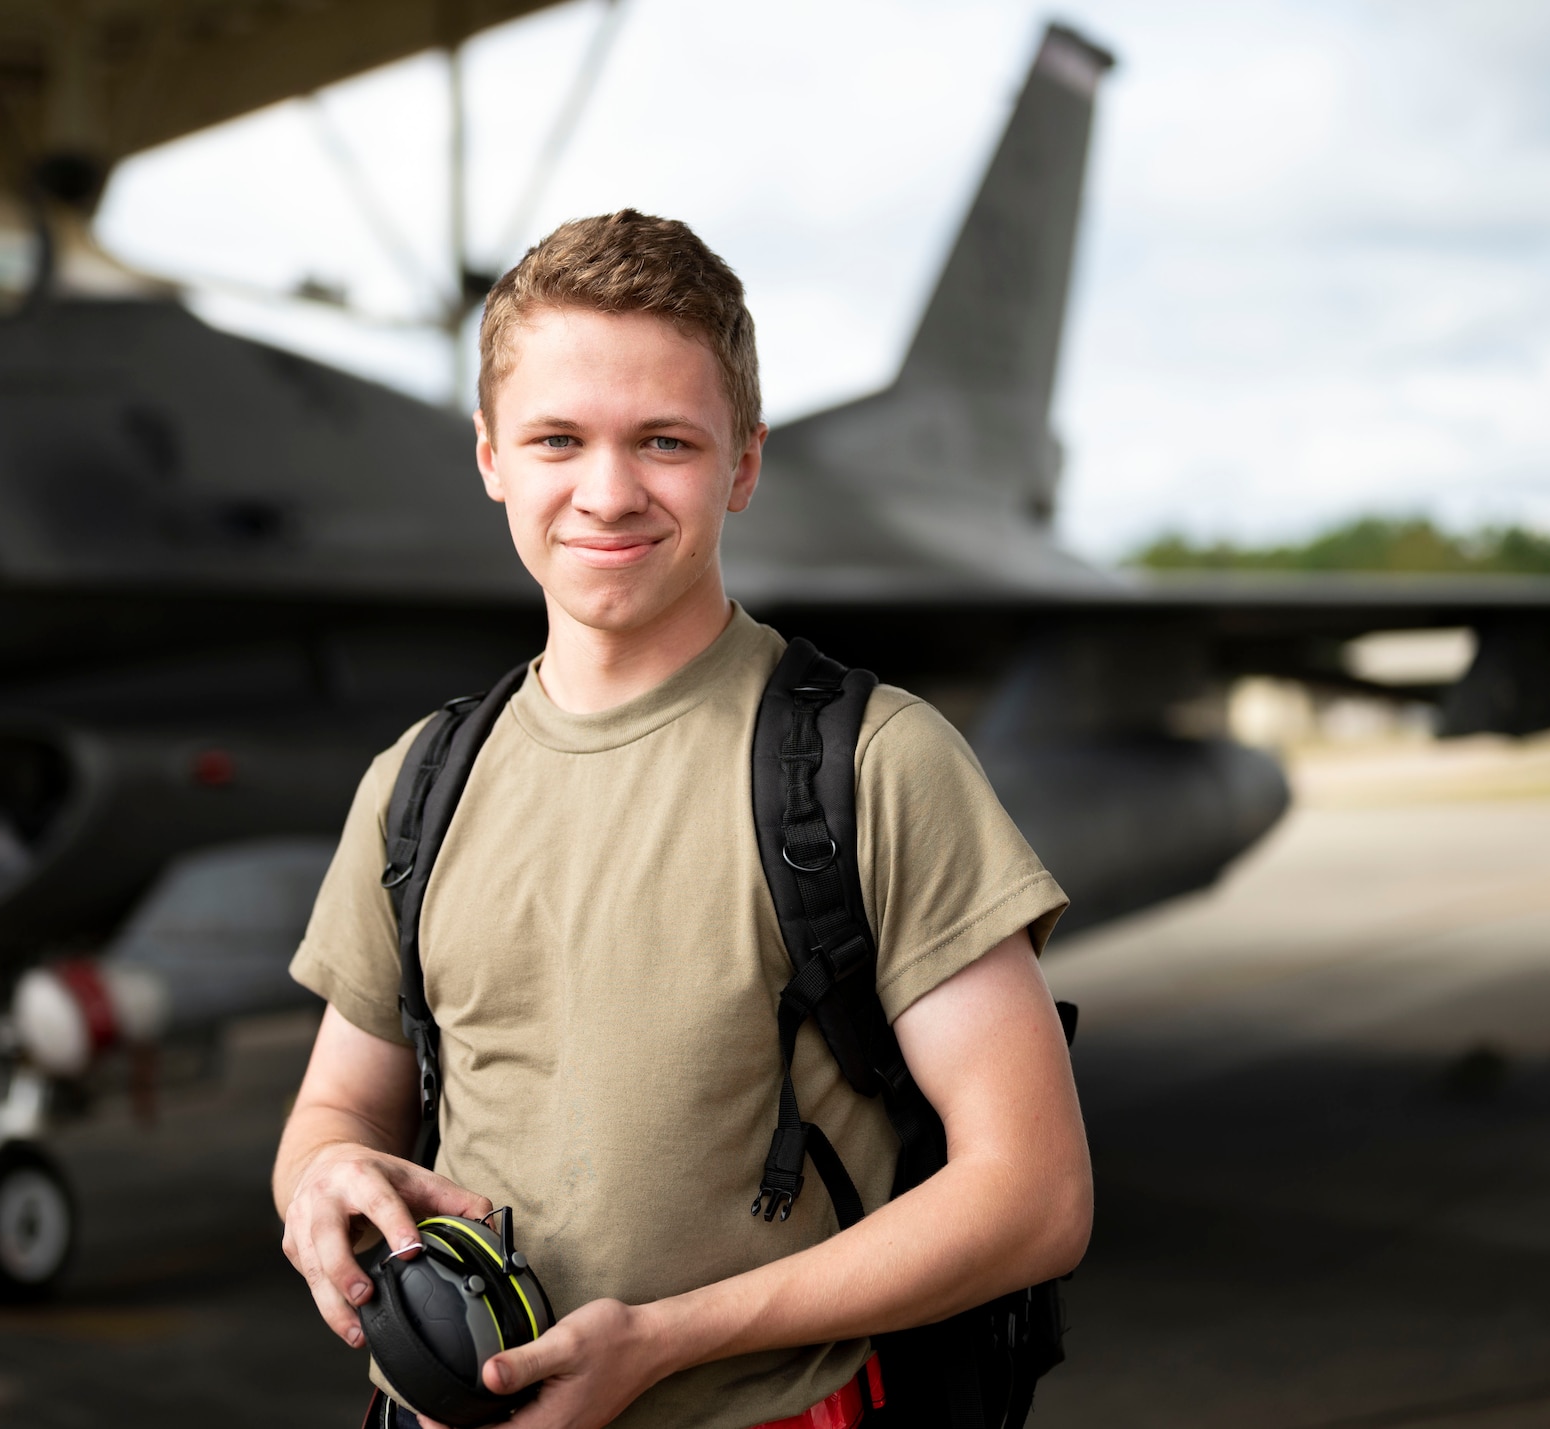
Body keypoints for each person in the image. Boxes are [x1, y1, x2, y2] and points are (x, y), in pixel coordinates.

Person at [273, 210, 1092, 1429]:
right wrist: (322, 1179)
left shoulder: (872, 764)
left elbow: (1032, 1194)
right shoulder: (417, 783)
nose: (606, 492)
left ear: (741, 464)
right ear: (491, 455)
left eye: (663, 440)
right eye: (557, 439)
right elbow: (335, 1109)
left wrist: (662, 1342)